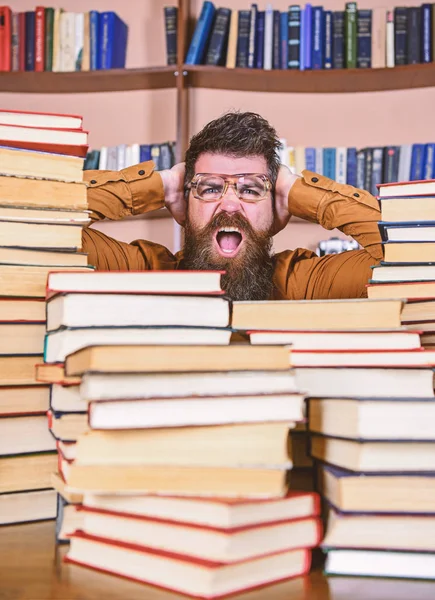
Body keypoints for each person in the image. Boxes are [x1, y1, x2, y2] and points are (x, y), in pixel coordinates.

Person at [83, 111, 382, 301]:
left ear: (276, 209)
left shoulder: (304, 284)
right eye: (210, 187)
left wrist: (297, 191)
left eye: (250, 189)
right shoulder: (143, 273)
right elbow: (40, 225)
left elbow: (416, 255)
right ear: (184, 204)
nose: (229, 204)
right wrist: (157, 185)